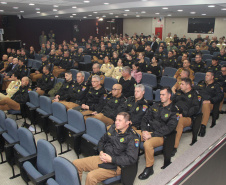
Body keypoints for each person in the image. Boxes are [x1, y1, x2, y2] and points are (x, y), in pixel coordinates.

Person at [73, 112, 139, 185]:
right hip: (104, 157)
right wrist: (101, 151)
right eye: (116, 120)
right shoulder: (113, 128)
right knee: (76, 164)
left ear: (127, 123)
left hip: (116, 165)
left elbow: (132, 158)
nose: (116, 122)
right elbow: (102, 141)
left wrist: (111, 159)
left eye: (119, 120)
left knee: (91, 177)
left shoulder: (132, 137)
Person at [137, 87, 178, 180]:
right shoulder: (156, 105)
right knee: (131, 133)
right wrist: (144, 131)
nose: (161, 96)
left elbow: (169, 128)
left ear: (169, 95)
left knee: (147, 144)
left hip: (161, 136)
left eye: (163, 95)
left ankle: (149, 168)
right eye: (160, 94)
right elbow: (145, 118)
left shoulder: (173, 110)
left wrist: (151, 135)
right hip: (148, 131)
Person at [171, 78, 201, 155]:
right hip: (175, 113)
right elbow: (171, 101)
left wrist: (183, 114)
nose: (180, 85)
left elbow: (195, 108)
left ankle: (174, 146)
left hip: (187, 117)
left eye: (182, 84)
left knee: (179, 121)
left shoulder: (195, 94)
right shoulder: (179, 92)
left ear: (188, 85)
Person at [195, 71, 223, 136]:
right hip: (199, 102)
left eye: (208, 75)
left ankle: (203, 126)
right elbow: (194, 89)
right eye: (206, 75)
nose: (206, 76)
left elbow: (220, 96)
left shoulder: (216, 86)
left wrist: (210, 101)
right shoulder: (202, 83)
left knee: (206, 104)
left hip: (211, 103)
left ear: (212, 77)